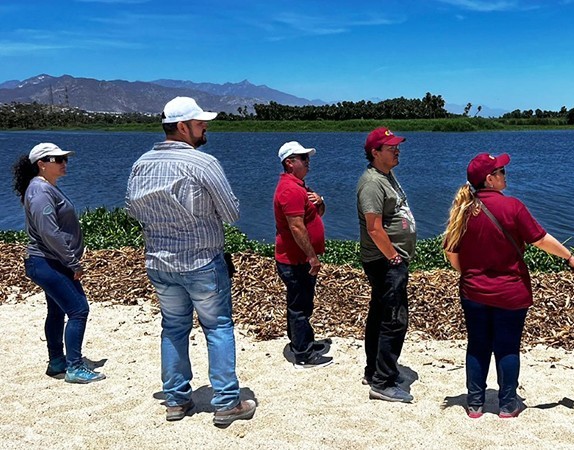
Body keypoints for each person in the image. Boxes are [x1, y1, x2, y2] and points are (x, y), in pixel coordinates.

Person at [126, 96, 256, 426]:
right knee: (217, 326)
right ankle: (226, 401)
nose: (205, 128)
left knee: (173, 328)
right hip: (200, 260)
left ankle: (175, 400)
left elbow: (132, 209)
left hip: (158, 260)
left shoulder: (141, 163)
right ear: (182, 127)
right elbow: (233, 212)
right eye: (200, 124)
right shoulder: (203, 163)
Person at [443, 152, 574, 419]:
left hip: (473, 292)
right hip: (510, 292)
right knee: (507, 347)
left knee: (477, 345)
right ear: (490, 179)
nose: (505, 175)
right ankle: (508, 404)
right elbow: (540, 239)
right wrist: (569, 256)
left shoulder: (463, 209)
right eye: (501, 171)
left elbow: (452, 254)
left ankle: (475, 404)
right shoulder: (513, 207)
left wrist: (472, 273)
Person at [12, 143, 106, 384]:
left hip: (48, 261)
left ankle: (56, 362)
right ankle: (74, 367)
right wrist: (72, 262)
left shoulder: (44, 187)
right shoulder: (40, 191)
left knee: (56, 310)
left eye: (65, 159)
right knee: (78, 310)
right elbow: (49, 232)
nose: (64, 163)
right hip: (48, 262)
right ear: (41, 164)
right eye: (57, 159)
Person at [356, 127, 417, 403]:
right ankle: (383, 381)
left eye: (397, 146)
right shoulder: (371, 183)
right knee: (394, 320)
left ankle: (375, 370)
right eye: (391, 147)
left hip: (390, 260)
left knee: (380, 315)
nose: (397, 150)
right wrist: (393, 256)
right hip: (385, 262)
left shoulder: (385, 176)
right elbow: (374, 227)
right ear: (375, 152)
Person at [273, 141, 333, 369]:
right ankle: (303, 355)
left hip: (298, 258)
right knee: (300, 306)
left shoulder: (300, 187)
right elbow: (296, 227)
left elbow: (317, 214)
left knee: (301, 303)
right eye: (303, 158)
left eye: (307, 158)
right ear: (290, 163)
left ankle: (302, 341)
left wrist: (321, 201)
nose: (308, 162)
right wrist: (312, 257)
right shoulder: (290, 189)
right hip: (295, 260)